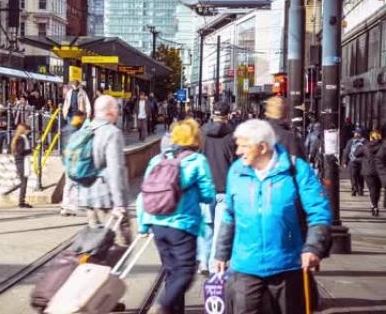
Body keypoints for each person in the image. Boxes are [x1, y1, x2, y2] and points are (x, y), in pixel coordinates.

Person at [213, 119, 332, 314]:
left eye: (244, 146)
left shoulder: (296, 169)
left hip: (286, 266)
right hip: (245, 267)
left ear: (262, 147)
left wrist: (313, 247)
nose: (238, 152)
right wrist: (221, 253)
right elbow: (229, 215)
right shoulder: (236, 171)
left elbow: (319, 211)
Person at [138, 119, 214, 314]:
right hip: (183, 225)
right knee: (186, 272)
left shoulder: (157, 160)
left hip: (158, 225)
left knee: (171, 273)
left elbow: (144, 194)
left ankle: (173, 310)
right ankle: (162, 305)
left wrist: (143, 225)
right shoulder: (197, 161)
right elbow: (208, 195)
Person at [77, 95, 133, 245]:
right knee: (120, 245)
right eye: (117, 109)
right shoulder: (112, 133)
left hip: (87, 196)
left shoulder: (85, 129)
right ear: (111, 112)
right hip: (107, 199)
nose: (118, 113)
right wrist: (119, 203)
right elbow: (115, 169)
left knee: (95, 246)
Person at [198, 101, 236, 275]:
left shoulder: (201, 134)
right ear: (228, 116)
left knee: (206, 228)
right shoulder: (233, 137)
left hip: (205, 189)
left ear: (212, 115)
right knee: (221, 230)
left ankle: (203, 263)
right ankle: (215, 266)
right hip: (225, 189)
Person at [59, 111, 86, 216]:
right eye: (82, 118)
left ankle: (68, 205)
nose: (83, 120)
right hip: (72, 159)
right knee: (73, 183)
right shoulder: (74, 130)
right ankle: (69, 205)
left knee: (70, 183)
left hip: (68, 159)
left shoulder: (67, 128)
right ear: (78, 117)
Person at [355, 130, 383, 216]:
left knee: (372, 189)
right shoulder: (382, 147)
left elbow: (356, 154)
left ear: (371, 137)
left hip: (368, 171)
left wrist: (363, 158)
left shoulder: (365, 146)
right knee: (377, 189)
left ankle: (374, 206)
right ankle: (375, 205)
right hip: (379, 171)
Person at [11, 123, 33, 208]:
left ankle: (22, 200)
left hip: (21, 161)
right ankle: (21, 201)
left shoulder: (19, 138)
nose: (29, 132)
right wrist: (30, 151)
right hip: (22, 161)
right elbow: (20, 151)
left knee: (24, 181)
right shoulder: (21, 139)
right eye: (28, 130)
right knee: (24, 182)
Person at [342, 127, 367, 196]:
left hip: (352, 161)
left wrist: (345, 162)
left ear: (359, 134)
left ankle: (354, 188)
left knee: (353, 176)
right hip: (362, 161)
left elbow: (346, 152)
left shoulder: (351, 141)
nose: (354, 134)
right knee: (360, 176)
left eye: (355, 132)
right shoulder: (365, 142)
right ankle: (360, 190)